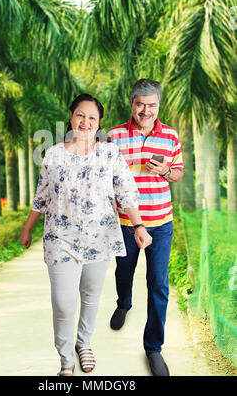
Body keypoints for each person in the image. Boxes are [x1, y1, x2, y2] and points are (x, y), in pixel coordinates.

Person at [20, 93, 152, 377]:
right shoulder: (54, 154)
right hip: (60, 240)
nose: (86, 122)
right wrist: (28, 227)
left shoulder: (110, 153)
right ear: (71, 117)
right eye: (81, 115)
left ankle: (84, 343)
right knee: (63, 304)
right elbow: (42, 196)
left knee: (91, 296)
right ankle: (65, 358)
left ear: (99, 123)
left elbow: (126, 192)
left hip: (99, 238)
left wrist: (139, 226)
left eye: (92, 118)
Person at [108, 79, 184, 377]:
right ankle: (123, 303)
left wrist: (165, 170)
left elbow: (177, 173)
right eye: (140, 104)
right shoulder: (113, 136)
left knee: (158, 284)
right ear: (132, 104)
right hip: (125, 224)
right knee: (123, 272)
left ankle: (153, 348)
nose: (146, 110)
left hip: (161, 223)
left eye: (152, 105)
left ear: (158, 105)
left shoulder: (170, 136)